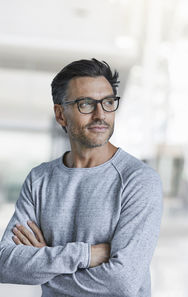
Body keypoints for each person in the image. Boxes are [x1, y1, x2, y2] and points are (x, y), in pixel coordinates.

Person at [0, 58, 163, 297]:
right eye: (86, 104)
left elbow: (122, 282)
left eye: (108, 102)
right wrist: (87, 255)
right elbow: (5, 263)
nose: (100, 115)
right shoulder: (39, 180)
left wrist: (45, 269)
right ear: (60, 114)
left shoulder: (138, 181)